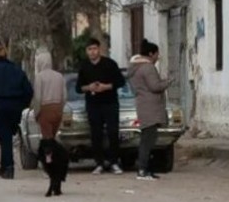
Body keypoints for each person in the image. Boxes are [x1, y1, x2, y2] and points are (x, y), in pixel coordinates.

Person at [0, 42, 33, 180]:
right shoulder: (17, 70)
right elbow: (28, 90)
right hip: (16, 107)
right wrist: (23, 105)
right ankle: (4, 165)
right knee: (7, 138)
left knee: (4, 138)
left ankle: (8, 167)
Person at [76, 38, 125, 175]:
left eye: (94, 49)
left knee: (113, 132)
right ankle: (99, 163)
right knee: (96, 134)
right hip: (93, 105)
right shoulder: (84, 66)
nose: (92, 52)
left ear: (99, 49)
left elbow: (120, 82)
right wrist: (89, 87)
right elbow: (78, 88)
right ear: (86, 51)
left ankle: (114, 162)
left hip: (110, 103)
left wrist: (106, 86)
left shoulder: (110, 64)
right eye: (89, 49)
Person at [128, 39, 174, 181]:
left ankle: (145, 169)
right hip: (150, 107)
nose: (157, 57)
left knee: (146, 139)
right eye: (156, 54)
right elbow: (155, 87)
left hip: (143, 105)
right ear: (150, 53)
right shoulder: (148, 68)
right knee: (148, 140)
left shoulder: (135, 67)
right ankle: (143, 170)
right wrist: (167, 82)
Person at [32, 51, 66, 142]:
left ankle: (48, 156)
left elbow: (38, 98)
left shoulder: (39, 77)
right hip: (58, 108)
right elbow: (64, 96)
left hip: (45, 109)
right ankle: (54, 154)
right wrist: (60, 108)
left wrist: (36, 113)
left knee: (47, 138)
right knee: (53, 136)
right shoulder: (59, 76)